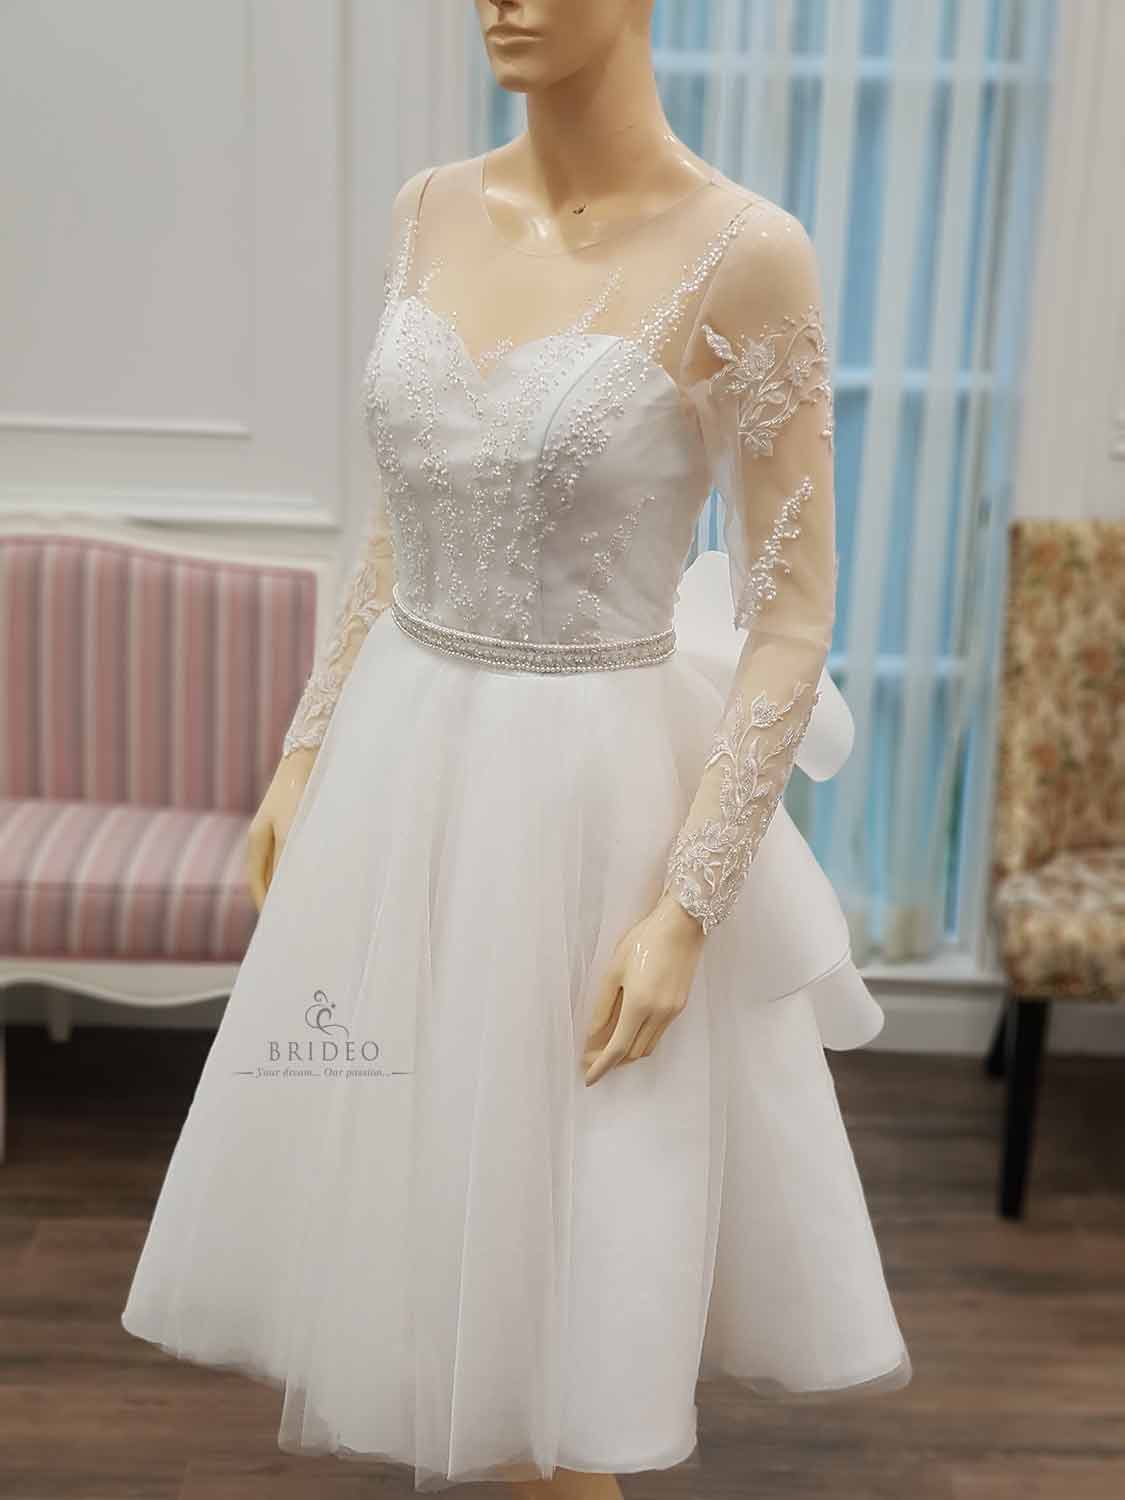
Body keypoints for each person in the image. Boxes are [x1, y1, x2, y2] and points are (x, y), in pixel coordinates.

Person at [121, 2, 911, 1493]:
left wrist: (688, 903)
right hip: (399, 783)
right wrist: (305, 750)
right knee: (419, 1235)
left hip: (586, 810)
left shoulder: (744, 252)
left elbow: (791, 616)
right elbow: (398, 525)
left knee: (561, 1295)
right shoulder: (426, 209)